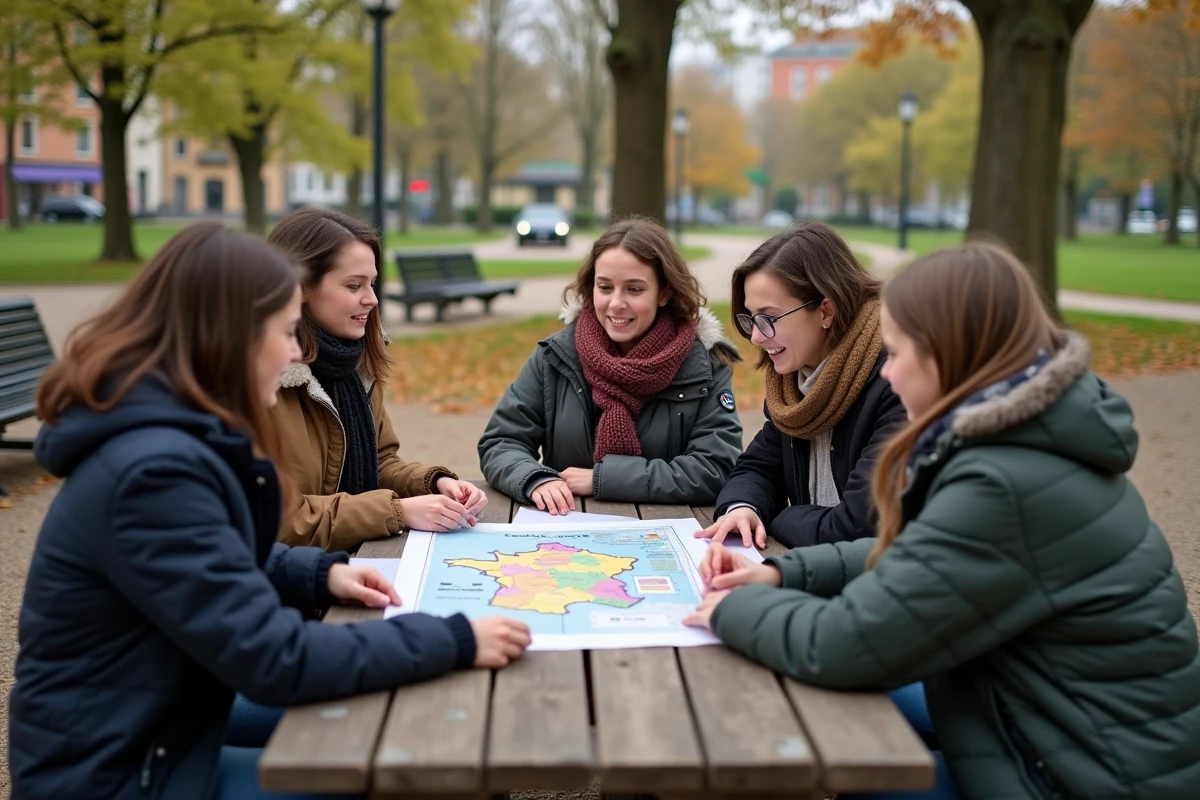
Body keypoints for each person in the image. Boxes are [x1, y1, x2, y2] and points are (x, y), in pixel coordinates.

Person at [8, 224, 531, 800]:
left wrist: (315, 573)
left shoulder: (173, 434)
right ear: (225, 337)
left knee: (415, 719)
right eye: (284, 331)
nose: (292, 353)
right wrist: (452, 638)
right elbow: (275, 657)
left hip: (167, 721)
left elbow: (217, 556)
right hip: (122, 771)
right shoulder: (152, 473)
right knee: (418, 752)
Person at [685, 243, 1200, 800]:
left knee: (862, 763)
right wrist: (786, 576)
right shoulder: (1020, 442)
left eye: (900, 351)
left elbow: (848, 643)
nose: (891, 371)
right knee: (854, 727)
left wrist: (739, 608)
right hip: (1043, 722)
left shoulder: (1003, 481)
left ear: (951, 356)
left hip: (1081, 772)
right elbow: (923, 553)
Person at [478, 218, 743, 510]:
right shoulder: (554, 356)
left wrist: (602, 479)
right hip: (566, 527)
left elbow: (715, 469)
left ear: (664, 293)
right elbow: (502, 442)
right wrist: (535, 478)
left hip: (666, 532)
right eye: (605, 287)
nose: (616, 303)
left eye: (634, 289)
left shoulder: (704, 367)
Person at [267, 207, 486, 551]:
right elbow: (280, 519)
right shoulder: (262, 380)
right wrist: (396, 510)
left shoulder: (356, 362)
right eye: (354, 285)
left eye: (372, 283)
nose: (371, 299)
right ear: (301, 288)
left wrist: (433, 484)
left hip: (346, 562)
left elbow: (378, 461)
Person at [698, 222, 905, 549]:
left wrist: (778, 516)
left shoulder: (896, 386)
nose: (755, 336)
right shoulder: (794, 388)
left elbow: (855, 528)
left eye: (768, 318)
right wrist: (743, 508)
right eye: (750, 319)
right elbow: (756, 468)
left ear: (825, 310)